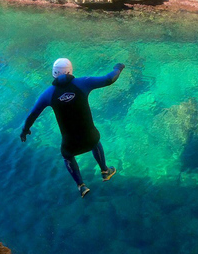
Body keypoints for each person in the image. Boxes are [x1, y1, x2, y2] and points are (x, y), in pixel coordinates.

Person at [21, 58, 125, 197]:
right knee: (95, 142)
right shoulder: (83, 83)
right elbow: (109, 79)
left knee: (68, 156)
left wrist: (25, 130)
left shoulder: (48, 94)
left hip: (71, 144)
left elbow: (32, 114)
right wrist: (118, 68)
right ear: (70, 71)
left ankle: (81, 186)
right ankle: (105, 171)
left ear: (54, 73)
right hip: (90, 137)